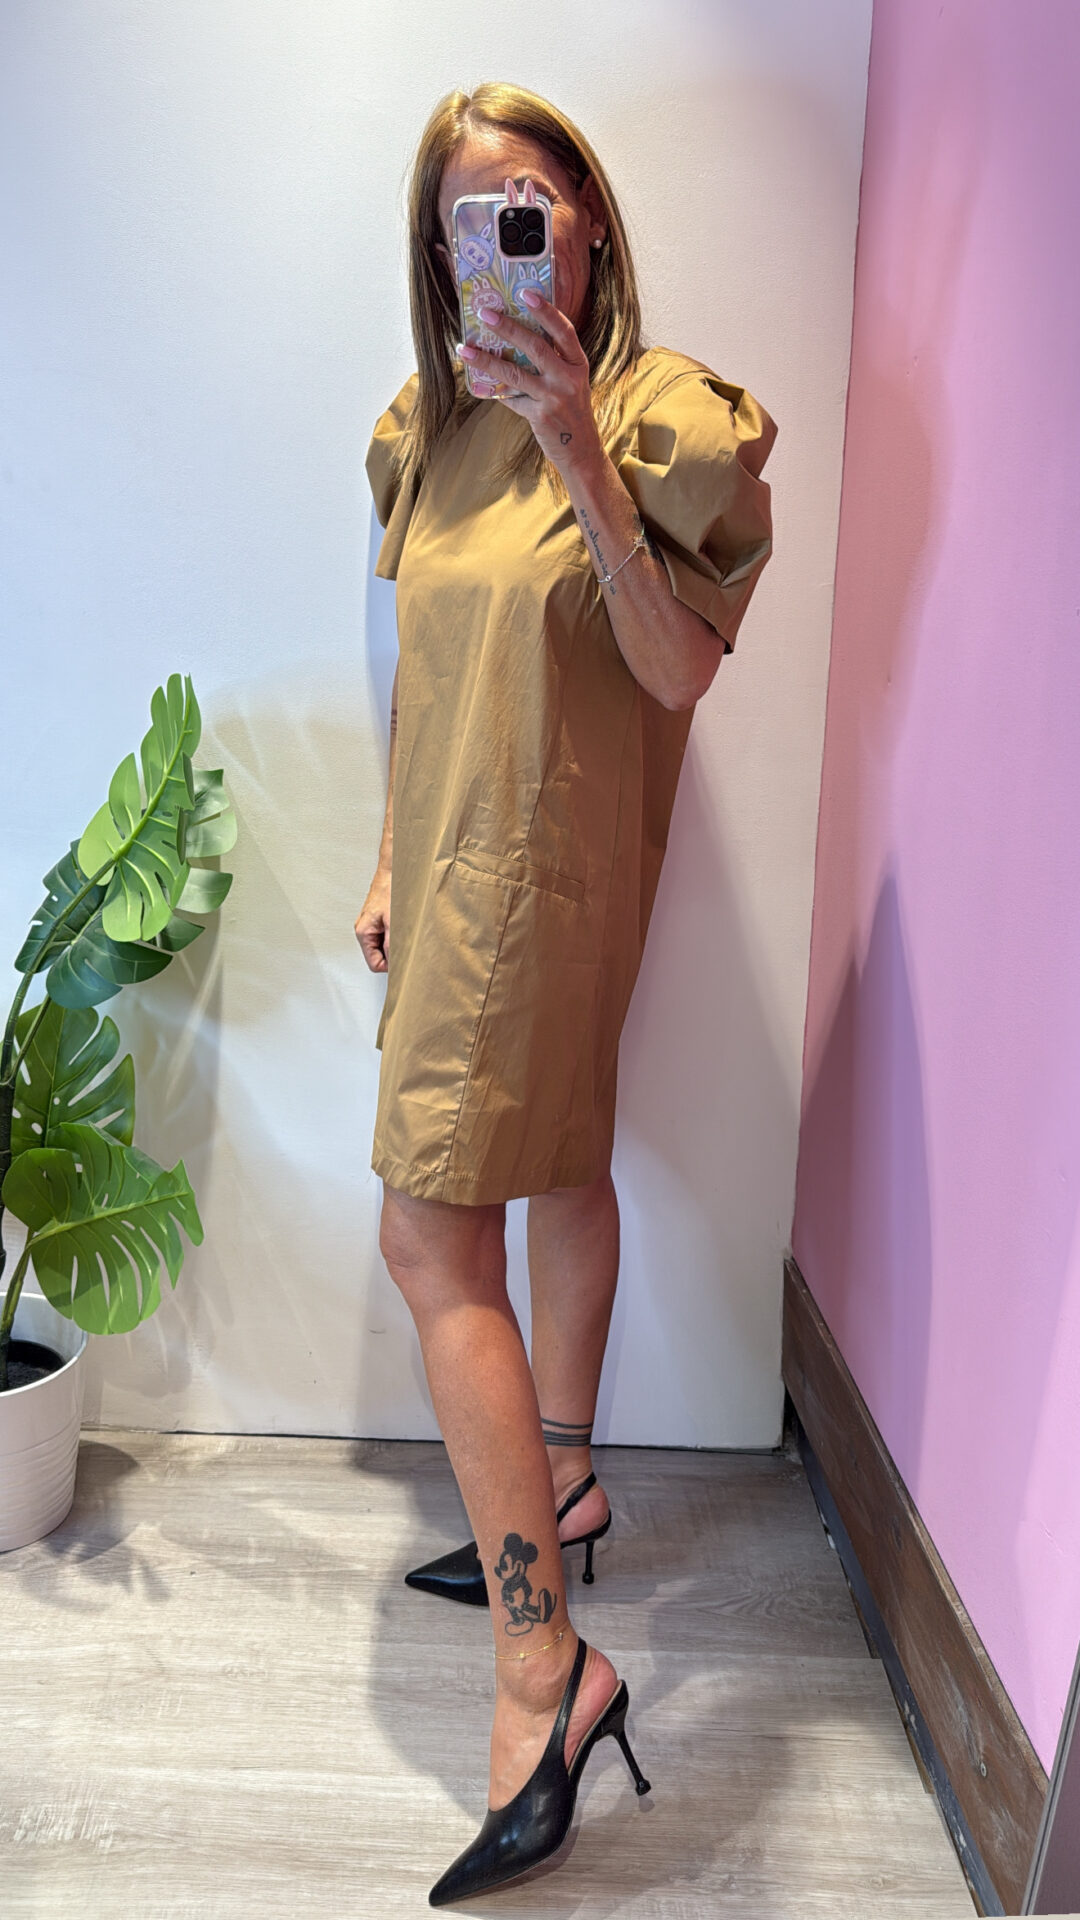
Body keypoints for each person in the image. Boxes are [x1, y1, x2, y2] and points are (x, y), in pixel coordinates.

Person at [354, 81, 776, 1906]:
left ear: (587, 220)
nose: (505, 237)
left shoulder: (664, 415)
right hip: (453, 868)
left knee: (432, 1237)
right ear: (440, 252)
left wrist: (583, 456)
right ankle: (572, 1482)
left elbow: (677, 670)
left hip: (548, 875)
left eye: (531, 201)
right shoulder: (424, 432)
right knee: (558, 1167)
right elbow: (425, 671)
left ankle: (547, 1670)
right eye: (471, 216)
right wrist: (390, 854)